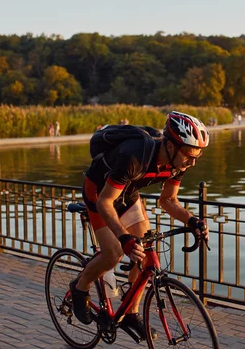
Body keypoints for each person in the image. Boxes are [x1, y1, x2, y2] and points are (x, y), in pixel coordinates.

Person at [69, 111, 210, 339]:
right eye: (189, 155)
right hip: (99, 194)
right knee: (113, 254)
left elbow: (168, 200)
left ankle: (131, 314)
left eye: (197, 156)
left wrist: (192, 220)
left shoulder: (178, 164)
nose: (192, 162)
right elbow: (105, 202)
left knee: (144, 253)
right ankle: (80, 287)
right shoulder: (135, 157)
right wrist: (123, 237)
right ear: (172, 146)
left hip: (127, 194)